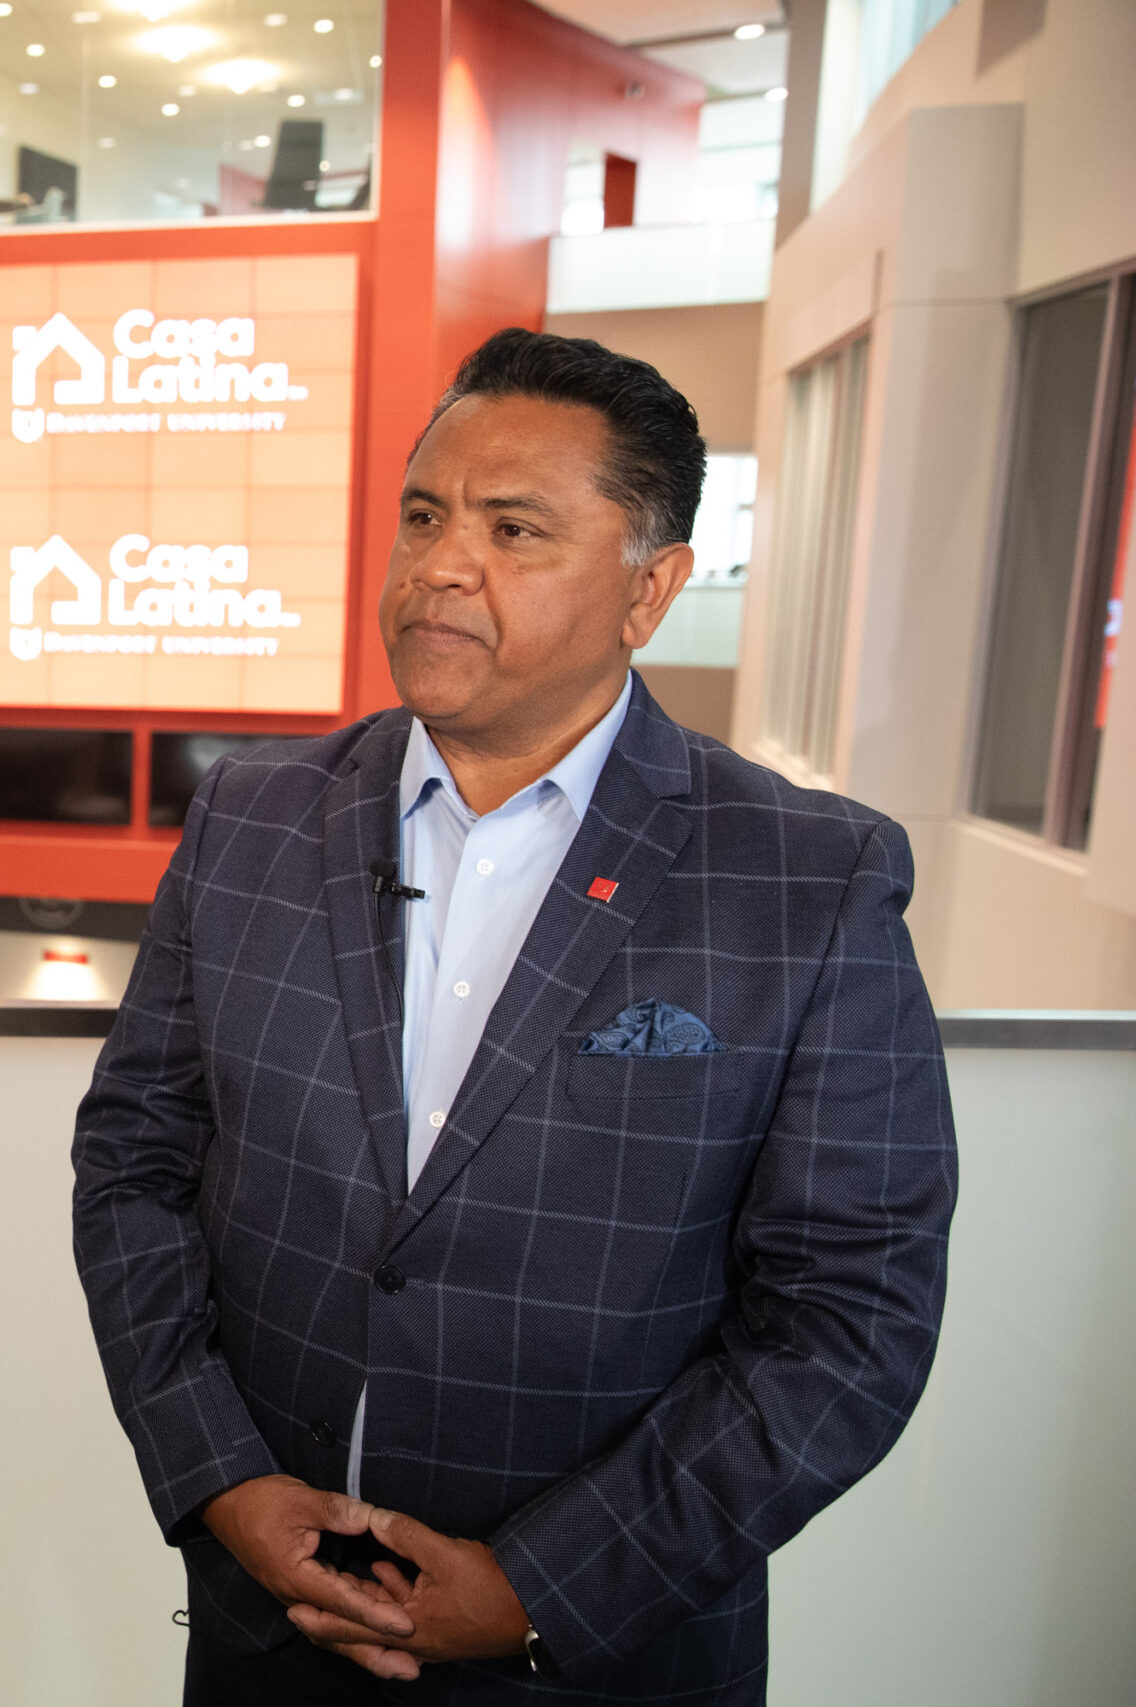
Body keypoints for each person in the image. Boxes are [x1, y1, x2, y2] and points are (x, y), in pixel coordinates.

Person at [70, 329, 956, 1706]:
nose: (440, 565)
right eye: (423, 516)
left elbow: (850, 1318)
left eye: (514, 528)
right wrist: (221, 1478)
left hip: (602, 1663)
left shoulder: (806, 878)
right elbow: (134, 1166)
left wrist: (546, 1589)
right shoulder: (250, 816)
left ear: (649, 589)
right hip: (271, 1636)